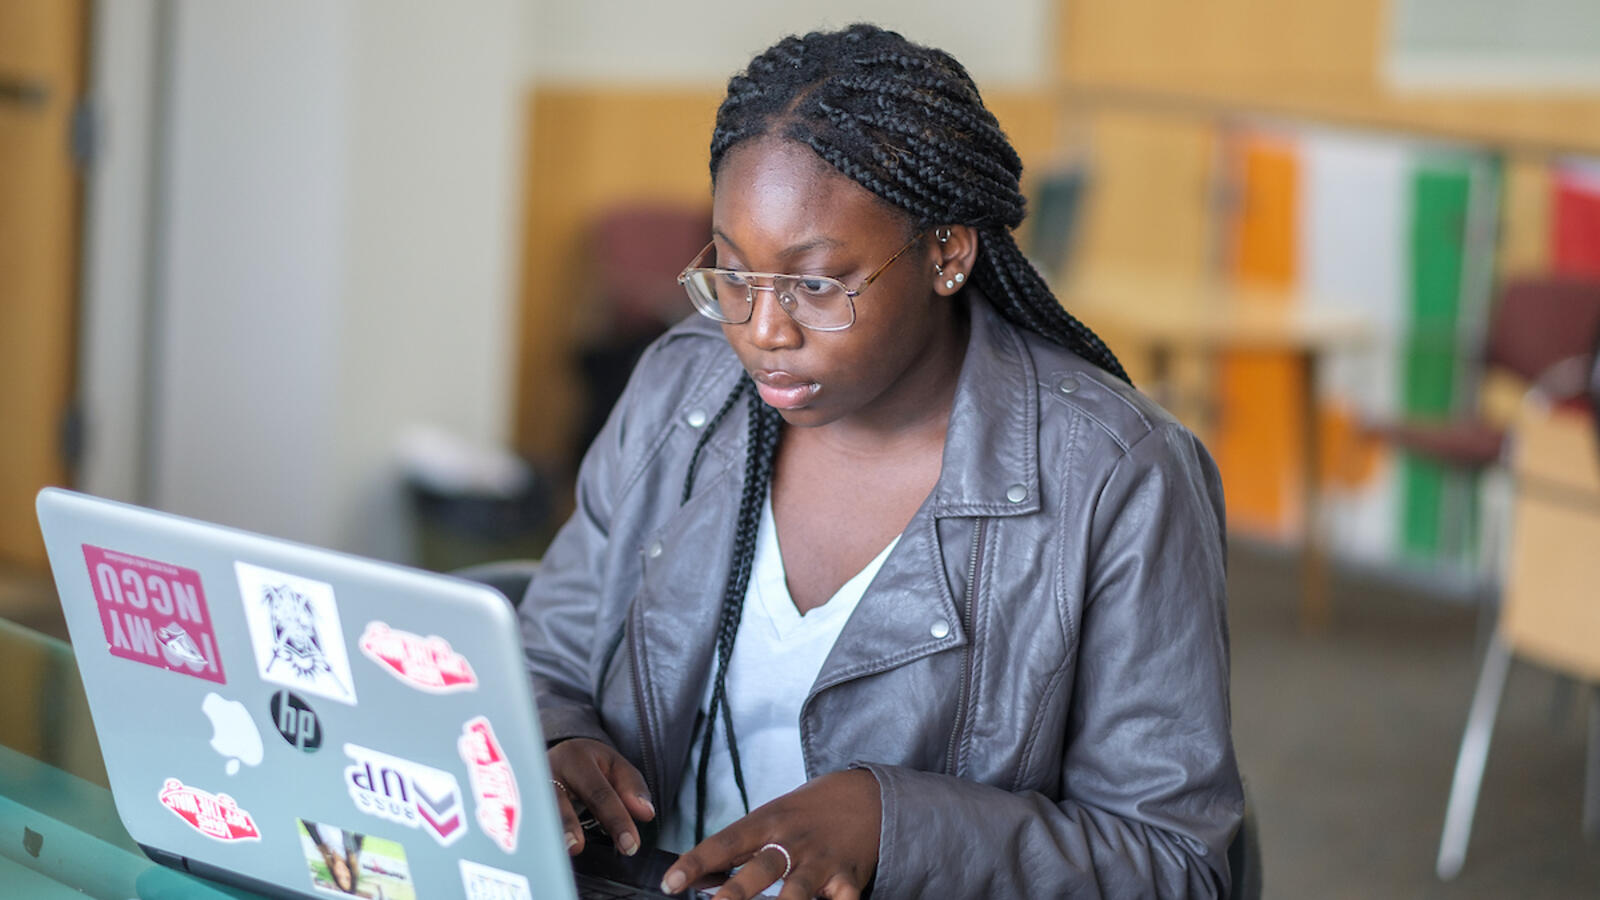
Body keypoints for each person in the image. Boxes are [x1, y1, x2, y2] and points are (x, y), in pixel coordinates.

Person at [520, 24, 1242, 899]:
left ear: (948, 253)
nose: (762, 332)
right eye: (736, 277)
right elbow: (545, 652)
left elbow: (1173, 863)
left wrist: (896, 828)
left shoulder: (1118, 476)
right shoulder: (682, 387)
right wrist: (554, 737)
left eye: (817, 284)